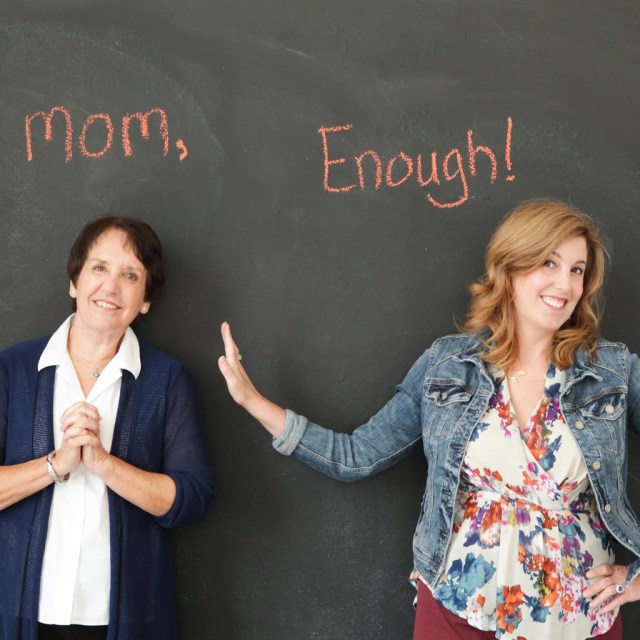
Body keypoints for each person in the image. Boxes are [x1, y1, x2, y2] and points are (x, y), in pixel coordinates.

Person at [218, 198, 640, 639]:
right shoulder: (447, 366)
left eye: (577, 269)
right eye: (549, 263)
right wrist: (252, 401)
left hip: (577, 614)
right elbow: (358, 455)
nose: (565, 284)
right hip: (459, 605)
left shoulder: (613, 371)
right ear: (511, 268)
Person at [0, 216, 214, 640]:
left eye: (130, 275)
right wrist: (55, 464)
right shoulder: (12, 369)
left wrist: (104, 464)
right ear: (74, 282)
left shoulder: (167, 378)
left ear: (146, 300)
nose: (110, 287)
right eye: (99, 268)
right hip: (19, 613)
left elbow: (191, 499)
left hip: (126, 619)